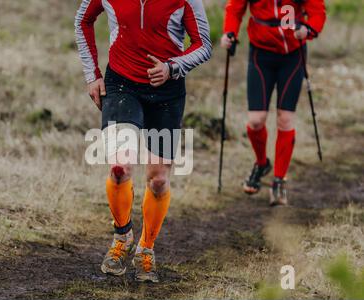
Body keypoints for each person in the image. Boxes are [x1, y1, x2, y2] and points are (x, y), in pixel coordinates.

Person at [75, 0, 212, 282]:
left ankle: (146, 249)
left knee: (158, 179)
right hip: (121, 84)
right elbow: (83, 21)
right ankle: (122, 236)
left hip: (167, 92)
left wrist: (173, 67)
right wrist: (92, 76)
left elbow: (203, 45)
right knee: (119, 167)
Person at [221, 0, 326, 206]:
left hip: (293, 55)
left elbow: (317, 12)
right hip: (261, 54)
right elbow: (235, 8)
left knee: (285, 118)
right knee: (256, 121)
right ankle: (261, 164)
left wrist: (308, 29)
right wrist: (229, 33)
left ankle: (279, 181)